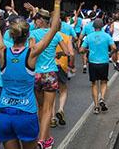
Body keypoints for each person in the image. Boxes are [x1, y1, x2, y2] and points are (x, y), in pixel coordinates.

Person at [0, 0, 66, 149]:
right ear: (26, 34)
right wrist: (57, 2)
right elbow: (53, 28)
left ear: (10, 34)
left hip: (4, 114)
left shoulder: (2, 52)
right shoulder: (31, 55)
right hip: (25, 114)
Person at [31, 9, 70, 148]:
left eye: (36, 19)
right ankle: (43, 140)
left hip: (36, 74)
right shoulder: (56, 34)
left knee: (40, 107)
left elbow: (31, 52)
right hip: (50, 74)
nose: (35, 21)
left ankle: (45, 137)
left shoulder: (33, 34)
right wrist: (56, 55)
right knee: (48, 109)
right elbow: (67, 52)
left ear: (40, 20)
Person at [80, 19, 116, 114]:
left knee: (94, 84)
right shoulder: (107, 36)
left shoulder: (89, 37)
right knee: (104, 82)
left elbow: (81, 50)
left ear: (94, 27)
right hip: (104, 62)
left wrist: (87, 51)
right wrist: (109, 54)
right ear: (102, 26)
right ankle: (102, 98)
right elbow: (114, 48)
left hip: (93, 63)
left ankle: (96, 106)